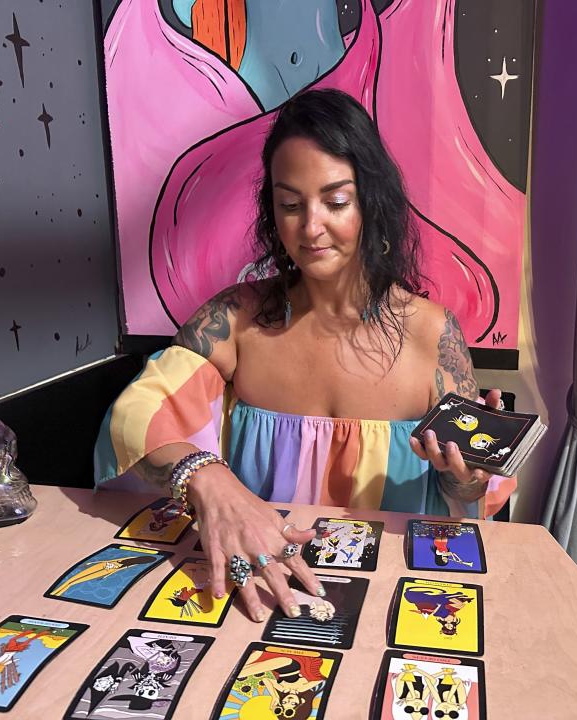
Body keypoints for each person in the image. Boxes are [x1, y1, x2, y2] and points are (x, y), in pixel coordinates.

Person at [95, 89, 513, 623]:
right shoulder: (236, 320)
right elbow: (132, 417)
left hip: (396, 606)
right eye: (290, 204)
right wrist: (210, 481)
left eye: (336, 202)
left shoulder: (433, 334)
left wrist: (467, 475)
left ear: (371, 203)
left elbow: (463, 498)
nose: (310, 228)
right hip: (262, 596)